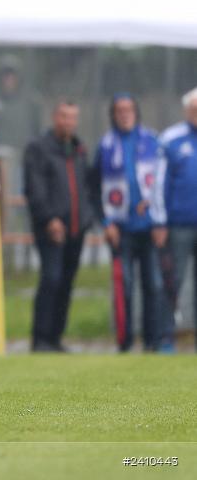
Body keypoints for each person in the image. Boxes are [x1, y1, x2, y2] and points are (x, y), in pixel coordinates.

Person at [90, 94, 164, 352]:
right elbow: (94, 186)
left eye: (129, 110)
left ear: (136, 112)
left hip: (150, 227)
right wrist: (106, 222)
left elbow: (161, 182)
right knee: (125, 287)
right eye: (119, 110)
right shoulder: (106, 145)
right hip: (120, 230)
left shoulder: (152, 140)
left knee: (153, 285)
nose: (125, 114)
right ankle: (125, 341)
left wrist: (159, 221)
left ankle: (153, 341)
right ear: (113, 114)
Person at [24, 100, 95, 352]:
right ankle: (40, 337)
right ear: (55, 117)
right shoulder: (38, 148)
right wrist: (49, 218)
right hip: (50, 229)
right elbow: (34, 188)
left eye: (73, 117)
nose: (68, 122)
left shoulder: (78, 149)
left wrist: (87, 218)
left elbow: (87, 186)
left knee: (66, 282)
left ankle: (55, 337)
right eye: (64, 116)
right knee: (51, 279)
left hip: (76, 229)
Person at [155, 88, 197, 352]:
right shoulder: (171, 139)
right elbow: (159, 184)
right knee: (173, 280)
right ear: (186, 110)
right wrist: (160, 221)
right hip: (178, 224)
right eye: (193, 108)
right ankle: (165, 336)